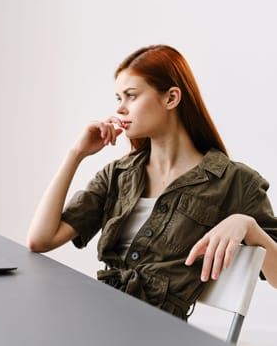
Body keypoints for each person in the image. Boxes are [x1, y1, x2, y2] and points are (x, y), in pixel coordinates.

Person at [26, 44, 277, 320]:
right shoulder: (118, 175)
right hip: (100, 316)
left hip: (158, 331)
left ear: (171, 98)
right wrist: (76, 154)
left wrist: (247, 225)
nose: (120, 108)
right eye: (118, 98)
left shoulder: (235, 181)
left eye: (131, 96)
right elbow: (41, 240)